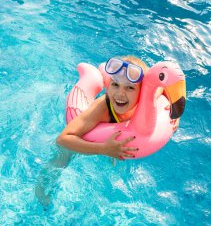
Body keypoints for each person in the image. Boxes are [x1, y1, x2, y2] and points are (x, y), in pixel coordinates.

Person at [35, 56, 149, 206]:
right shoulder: (103, 107)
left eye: (129, 87)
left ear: (142, 92)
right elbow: (63, 139)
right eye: (115, 84)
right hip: (81, 133)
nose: (120, 93)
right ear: (109, 86)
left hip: (112, 133)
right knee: (63, 156)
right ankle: (39, 193)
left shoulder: (147, 103)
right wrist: (103, 149)